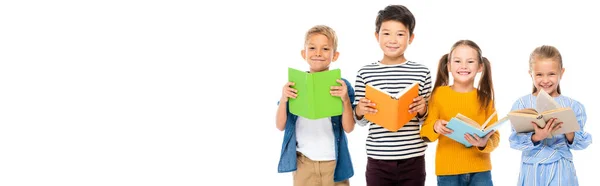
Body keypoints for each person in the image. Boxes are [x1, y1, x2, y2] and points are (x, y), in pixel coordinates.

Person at [353, 5, 431, 186]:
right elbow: (361, 121)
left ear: (411, 38)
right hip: (378, 159)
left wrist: (422, 109)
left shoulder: (421, 72)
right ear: (376, 36)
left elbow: (426, 120)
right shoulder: (365, 73)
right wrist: (359, 110)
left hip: (413, 158)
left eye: (400, 34)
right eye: (386, 33)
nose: (393, 40)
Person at [276, 25, 355, 186]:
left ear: (335, 55)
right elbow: (280, 125)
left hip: (334, 162)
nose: (318, 53)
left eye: (325, 49)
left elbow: (349, 128)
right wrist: (284, 99)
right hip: (303, 162)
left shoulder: (342, 86)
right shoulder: (294, 84)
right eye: (312, 48)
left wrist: (345, 100)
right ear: (303, 54)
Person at [508, 45, 592, 186]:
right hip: (531, 170)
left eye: (551, 74)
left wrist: (569, 131)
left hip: (561, 169)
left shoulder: (573, 106)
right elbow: (515, 141)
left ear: (561, 72)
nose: (545, 80)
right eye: (539, 74)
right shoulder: (522, 104)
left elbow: (582, 143)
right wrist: (536, 137)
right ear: (531, 74)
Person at [420, 40, 498, 186]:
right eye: (457, 61)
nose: (463, 66)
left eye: (470, 61)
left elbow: (495, 138)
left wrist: (483, 143)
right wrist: (435, 127)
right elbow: (425, 131)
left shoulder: (486, 98)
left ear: (480, 66)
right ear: (449, 66)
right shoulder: (438, 94)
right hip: (447, 172)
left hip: (480, 171)